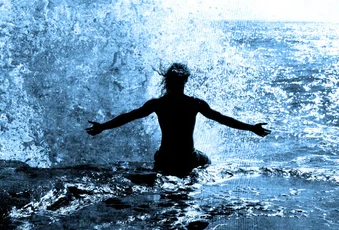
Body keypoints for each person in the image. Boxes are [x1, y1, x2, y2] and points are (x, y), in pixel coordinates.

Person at [85, 63, 271, 177]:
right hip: (187, 158)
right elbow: (222, 119)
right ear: (185, 81)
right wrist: (251, 128)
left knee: (164, 177)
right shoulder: (194, 104)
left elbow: (128, 117)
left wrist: (102, 127)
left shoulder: (158, 104)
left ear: (167, 81)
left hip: (165, 158)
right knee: (205, 162)